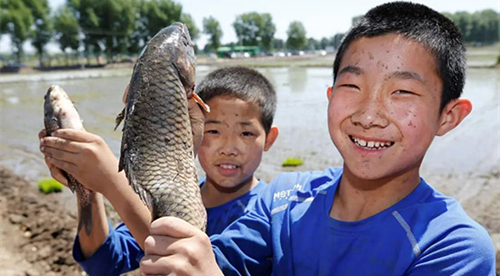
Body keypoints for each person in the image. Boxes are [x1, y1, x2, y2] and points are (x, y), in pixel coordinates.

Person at [139, 2, 496, 276]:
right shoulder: (281, 201)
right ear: (330, 95)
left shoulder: (453, 247)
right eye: (352, 86)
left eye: (402, 91)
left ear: (448, 116)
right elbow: (196, 259)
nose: (368, 115)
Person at [38, 66, 279, 275]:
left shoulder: (270, 213)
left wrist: (112, 180)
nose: (228, 148)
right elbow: (104, 261)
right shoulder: (161, 195)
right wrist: (87, 188)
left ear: (269, 139)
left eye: (246, 133)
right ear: (187, 128)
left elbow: (199, 267)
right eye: (214, 131)